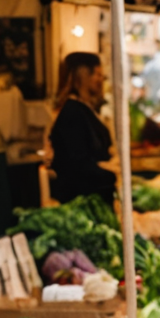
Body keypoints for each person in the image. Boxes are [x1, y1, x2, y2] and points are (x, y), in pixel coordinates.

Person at [48, 52, 117, 204]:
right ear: (83, 75)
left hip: (93, 195)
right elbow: (77, 165)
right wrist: (113, 173)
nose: (101, 80)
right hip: (83, 200)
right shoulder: (72, 113)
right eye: (97, 74)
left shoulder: (84, 109)